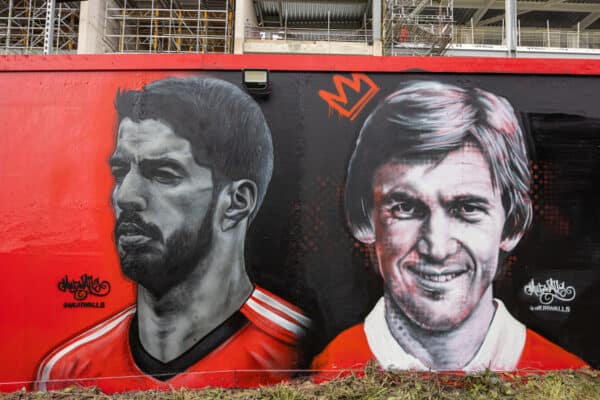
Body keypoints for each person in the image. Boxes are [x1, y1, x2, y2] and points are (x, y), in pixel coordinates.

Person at [35, 77, 310, 392]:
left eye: (163, 174)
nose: (125, 196)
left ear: (236, 202)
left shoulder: (299, 351)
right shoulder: (68, 371)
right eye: (120, 172)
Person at [312, 81, 587, 378]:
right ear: (363, 219)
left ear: (513, 224)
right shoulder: (328, 372)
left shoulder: (563, 374)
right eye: (405, 207)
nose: (437, 248)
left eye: (467, 209)